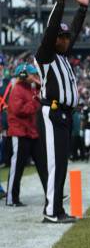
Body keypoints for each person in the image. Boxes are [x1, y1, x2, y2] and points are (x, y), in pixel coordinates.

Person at [34, 0, 88, 224]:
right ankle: (51, 212)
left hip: (65, 114)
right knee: (55, 165)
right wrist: (61, 0)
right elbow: (52, 28)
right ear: (53, 38)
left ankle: (57, 209)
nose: (65, 41)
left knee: (62, 164)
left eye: (66, 38)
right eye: (61, 37)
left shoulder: (64, 57)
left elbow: (74, 30)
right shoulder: (45, 55)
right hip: (52, 112)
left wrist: (83, 9)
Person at [5, 64, 45, 207]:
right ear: (23, 75)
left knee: (43, 165)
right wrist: (35, 101)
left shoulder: (30, 88)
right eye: (32, 74)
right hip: (19, 132)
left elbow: (41, 100)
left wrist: (40, 88)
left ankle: (52, 194)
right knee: (18, 168)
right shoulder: (17, 90)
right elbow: (19, 111)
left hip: (31, 133)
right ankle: (11, 199)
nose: (34, 76)